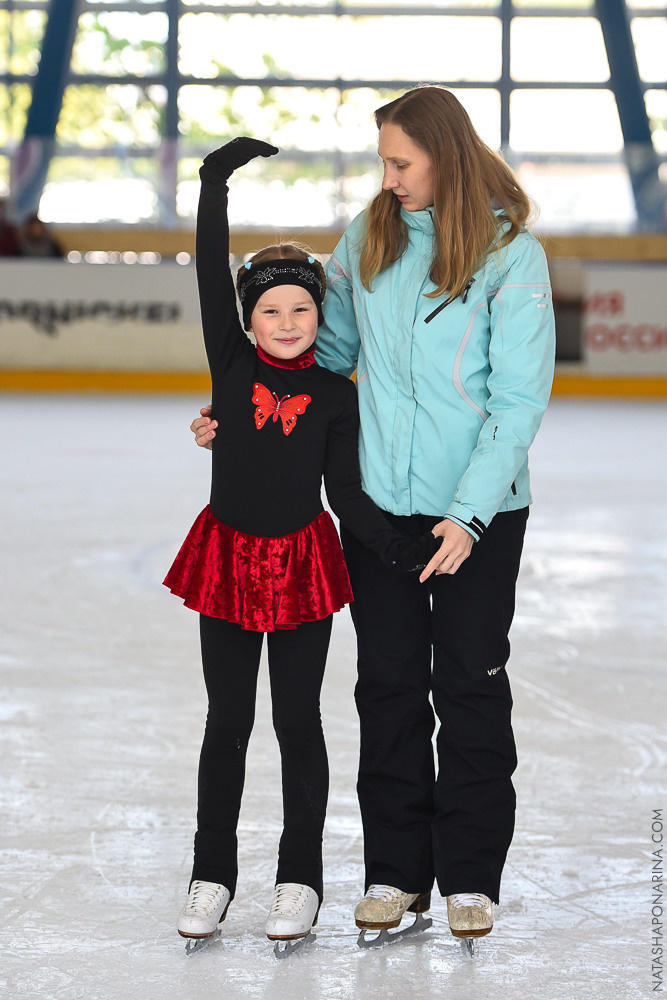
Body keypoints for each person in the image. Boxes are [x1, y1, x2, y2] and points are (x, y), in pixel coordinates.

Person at [191, 86, 555, 947]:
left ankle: (468, 874)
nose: (387, 178)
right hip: (378, 510)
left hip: (480, 513)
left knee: (467, 683)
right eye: (383, 163)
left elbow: (517, 401)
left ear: (446, 156)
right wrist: (244, 408)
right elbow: (330, 352)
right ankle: (395, 870)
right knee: (387, 687)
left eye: (401, 162)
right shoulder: (369, 239)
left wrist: (467, 518)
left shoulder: (512, 258)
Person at [165, 136, 439, 953]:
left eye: (301, 309)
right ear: (246, 319)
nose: (286, 323)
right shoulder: (228, 362)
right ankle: (211, 873)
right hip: (227, 559)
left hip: (298, 566)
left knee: (297, 721)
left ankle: (300, 879)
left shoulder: (332, 393)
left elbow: (346, 494)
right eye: (269, 310)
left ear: (320, 317)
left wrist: (397, 549)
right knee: (227, 719)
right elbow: (209, 269)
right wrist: (214, 182)